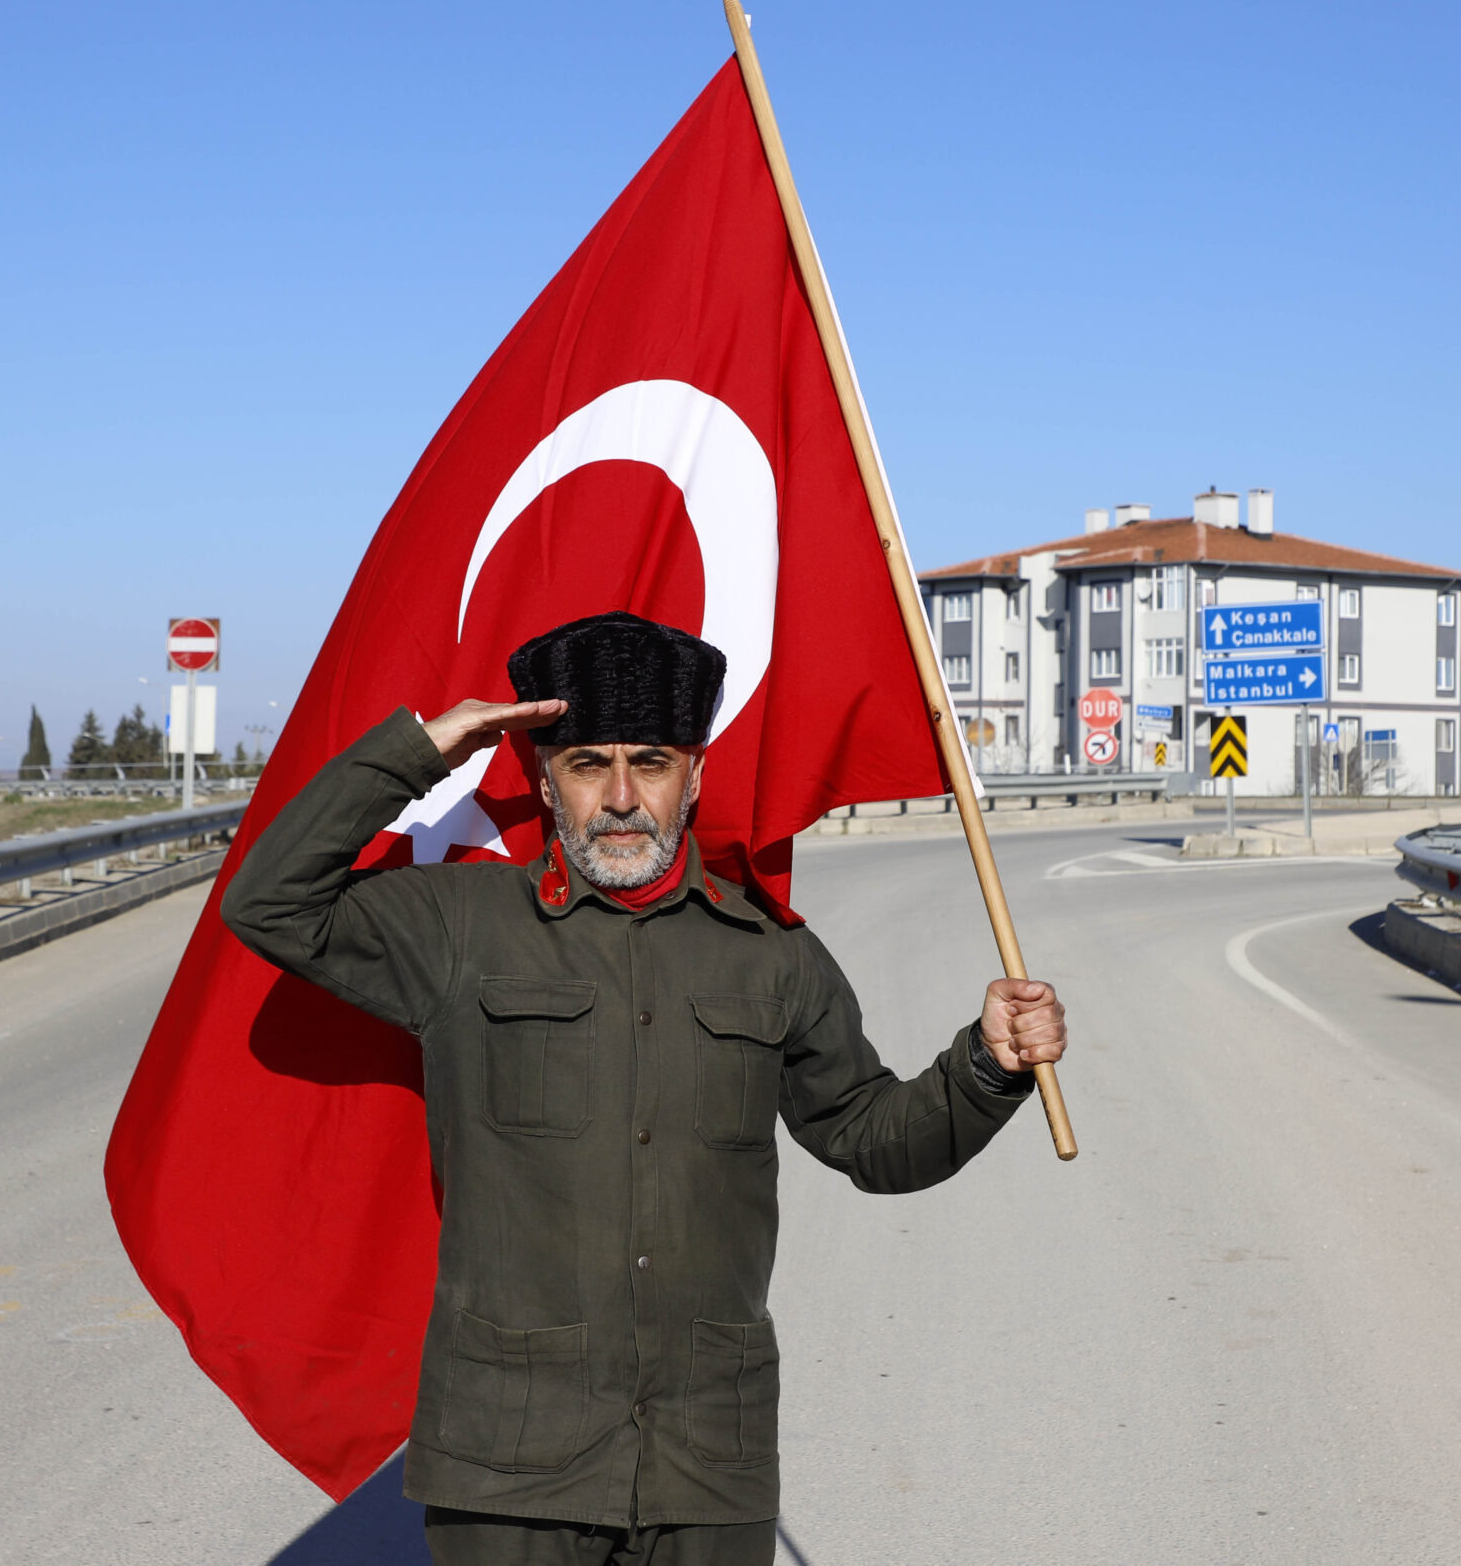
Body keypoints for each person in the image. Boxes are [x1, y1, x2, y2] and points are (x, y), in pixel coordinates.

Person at [222, 610, 1067, 1566]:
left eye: (652, 763)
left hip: (707, 1463)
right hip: (508, 1462)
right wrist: (423, 746)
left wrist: (988, 1066)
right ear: (544, 779)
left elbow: (877, 1140)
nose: (622, 797)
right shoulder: (458, 927)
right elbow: (269, 901)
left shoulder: (772, 953)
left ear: (694, 775)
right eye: (588, 764)